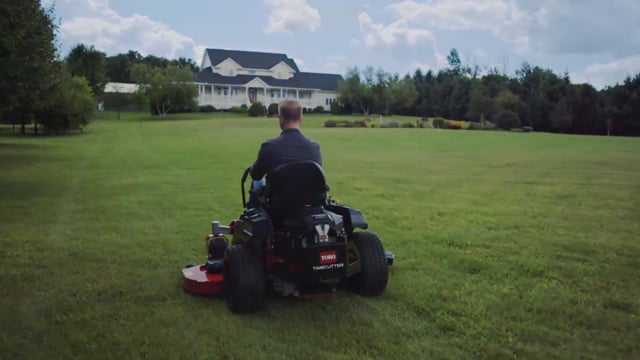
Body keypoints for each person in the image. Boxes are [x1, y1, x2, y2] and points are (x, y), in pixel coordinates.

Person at [247, 100, 322, 208]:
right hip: (307, 204)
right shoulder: (314, 147)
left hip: (278, 205)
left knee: (256, 182)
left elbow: (255, 175)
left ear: (281, 119)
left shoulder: (269, 146)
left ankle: (253, 216)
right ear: (301, 118)